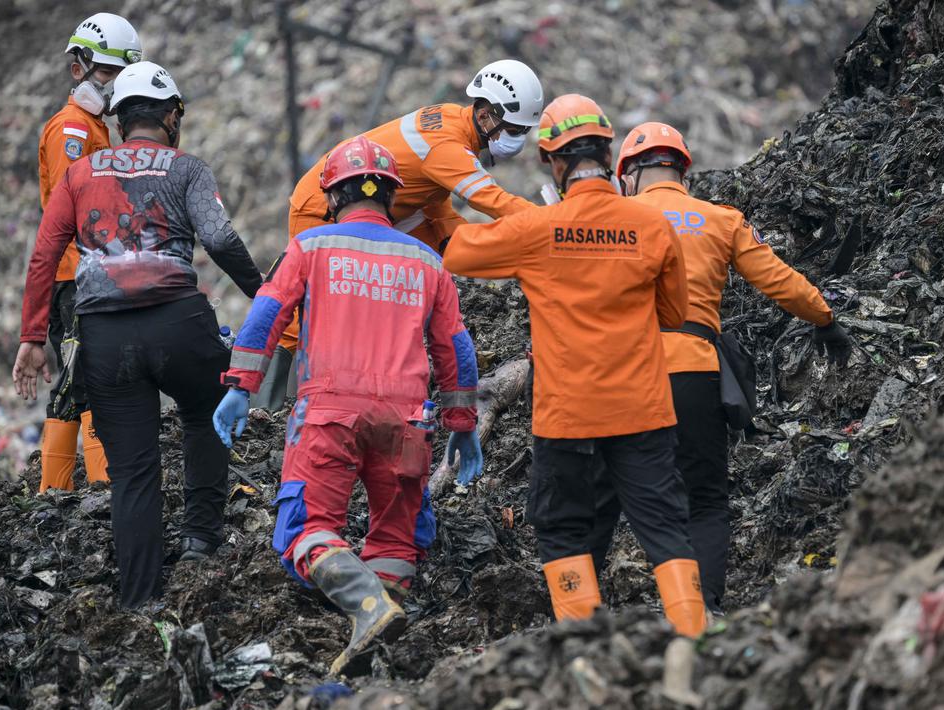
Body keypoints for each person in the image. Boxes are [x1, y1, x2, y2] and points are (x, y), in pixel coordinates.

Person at [213, 136, 483, 675]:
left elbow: (267, 315)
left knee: (306, 526)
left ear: (332, 196)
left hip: (329, 413)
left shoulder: (311, 247)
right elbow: (456, 348)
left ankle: (367, 607)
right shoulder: (428, 260)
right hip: (408, 420)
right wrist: (463, 424)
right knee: (397, 533)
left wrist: (241, 385)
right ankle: (378, 633)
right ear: (390, 197)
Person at [442, 95, 708, 638]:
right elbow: (676, 313)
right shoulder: (652, 227)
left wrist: (431, 206)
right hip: (643, 408)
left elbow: (457, 252)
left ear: (552, 161)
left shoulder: (537, 230)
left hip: (567, 415)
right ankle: (695, 639)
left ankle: (585, 655)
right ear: (609, 154)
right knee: (664, 528)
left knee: (562, 529)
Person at [13, 62, 262, 609]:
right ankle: (200, 537)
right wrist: (262, 291)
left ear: (120, 119)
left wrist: (34, 336)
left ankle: (140, 599)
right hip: (177, 320)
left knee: (134, 470)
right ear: (172, 115)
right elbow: (219, 239)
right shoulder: (186, 167)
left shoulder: (81, 175)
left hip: (103, 335)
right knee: (207, 406)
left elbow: (44, 255)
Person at [587, 122, 853, 613]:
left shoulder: (611, 217)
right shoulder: (720, 219)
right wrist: (825, 318)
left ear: (628, 174)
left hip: (621, 372)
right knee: (704, 497)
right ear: (683, 171)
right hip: (693, 372)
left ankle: (577, 610)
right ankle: (700, 608)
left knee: (601, 496)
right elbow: (777, 279)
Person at [252, 59, 545, 411]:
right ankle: (271, 406)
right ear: (485, 116)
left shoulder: (453, 119)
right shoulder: (447, 147)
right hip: (327, 205)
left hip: (394, 207)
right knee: (307, 311)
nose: (516, 139)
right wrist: (558, 223)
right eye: (512, 129)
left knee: (457, 248)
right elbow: (493, 201)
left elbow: (434, 198)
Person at [36, 12, 144, 493]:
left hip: (92, 273)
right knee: (90, 381)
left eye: (121, 75)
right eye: (108, 73)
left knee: (77, 382)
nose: (114, 85)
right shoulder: (72, 131)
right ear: (80, 68)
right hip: (78, 275)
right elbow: (73, 208)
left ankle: (59, 489)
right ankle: (99, 486)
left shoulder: (96, 128)